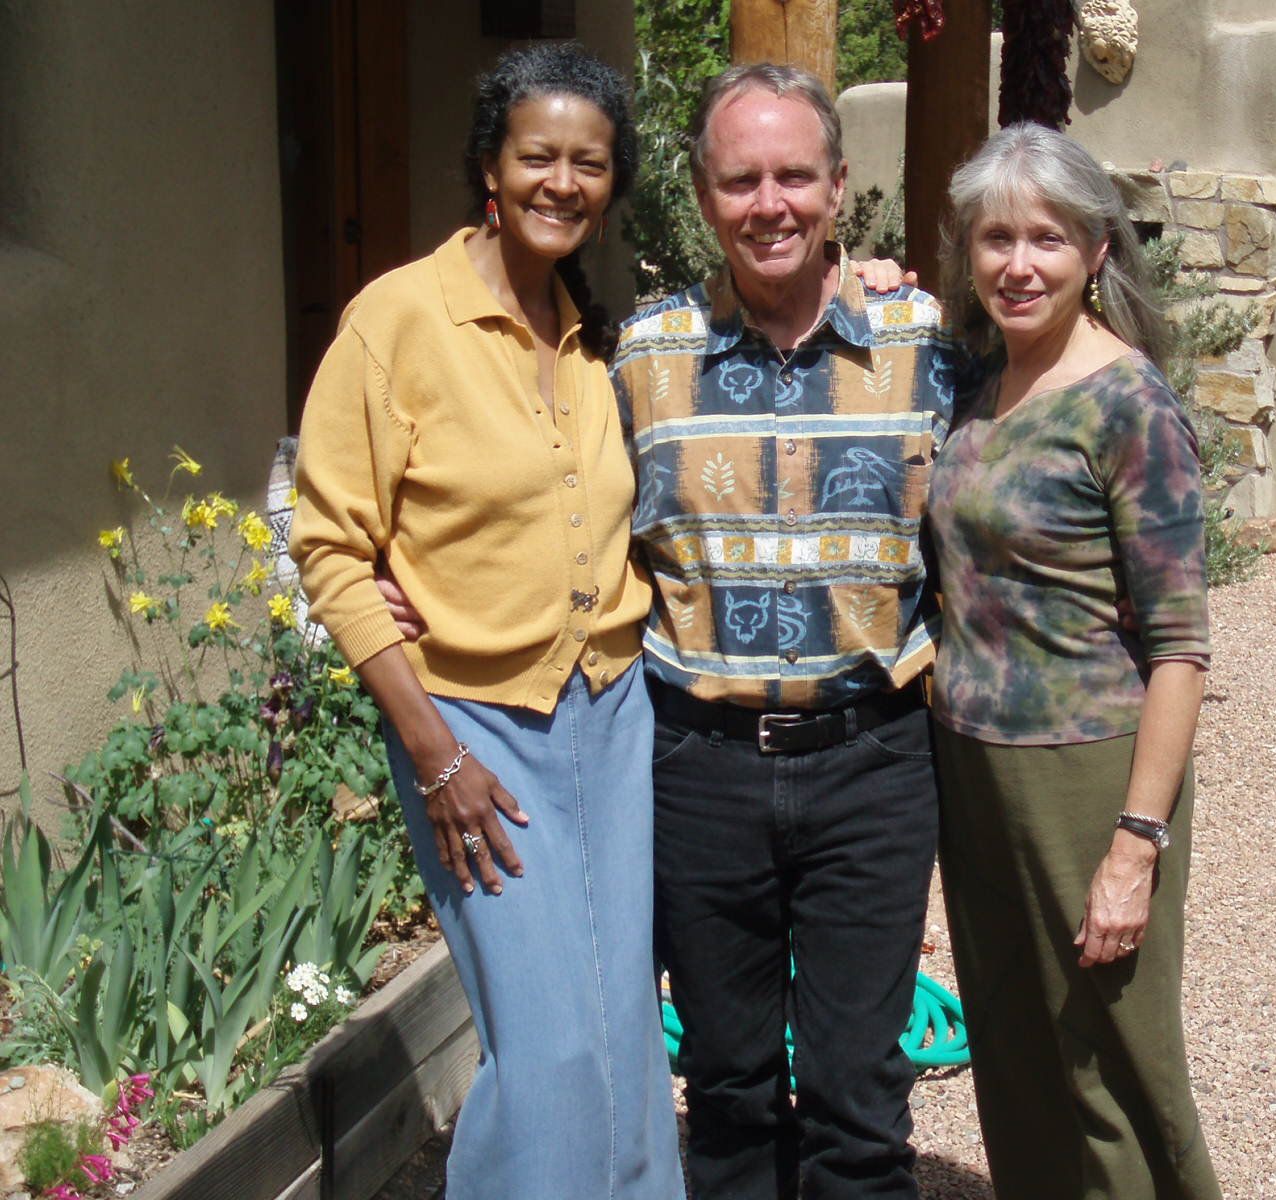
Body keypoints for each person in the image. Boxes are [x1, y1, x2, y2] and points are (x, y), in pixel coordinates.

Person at [289, 44, 684, 1199]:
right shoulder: (398, 321)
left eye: (590, 164)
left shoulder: (591, 334)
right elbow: (328, 544)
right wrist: (434, 751)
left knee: (619, 1024)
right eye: (538, 157)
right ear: (489, 168)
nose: (563, 182)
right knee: (551, 1044)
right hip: (476, 739)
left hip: (613, 723)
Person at [608, 63, 965, 1200]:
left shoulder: (928, 345)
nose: (771, 203)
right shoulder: (640, 358)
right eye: (742, 178)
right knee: (726, 1089)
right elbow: (552, 515)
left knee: (862, 1095)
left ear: (838, 186)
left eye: (795, 176)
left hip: (872, 763)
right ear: (706, 194)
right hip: (695, 767)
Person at [926, 122, 1224, 1199]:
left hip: (1087, 770)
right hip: (972, 765)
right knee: (1014, 1053)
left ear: (1096, 251)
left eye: (1046, 239)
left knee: (1111, 1065)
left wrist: (1133, 846)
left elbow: (1180, 647)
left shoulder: (1127, 404)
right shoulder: (978, 382)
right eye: (995, 238)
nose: (1017, 263)